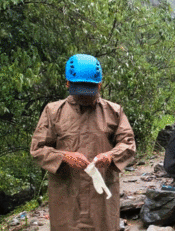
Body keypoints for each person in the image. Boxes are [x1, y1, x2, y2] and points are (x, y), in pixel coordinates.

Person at [30, 54, 136, 231]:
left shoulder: (114, 111)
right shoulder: (53, 111)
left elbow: (128, 143)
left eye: (90, 89)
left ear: (99, 85)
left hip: (101, 194)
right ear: (68, 84)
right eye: (80, 90)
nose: (85, 96)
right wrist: (63, 156)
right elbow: (37, 149)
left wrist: (110, 155)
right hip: (66, 194)